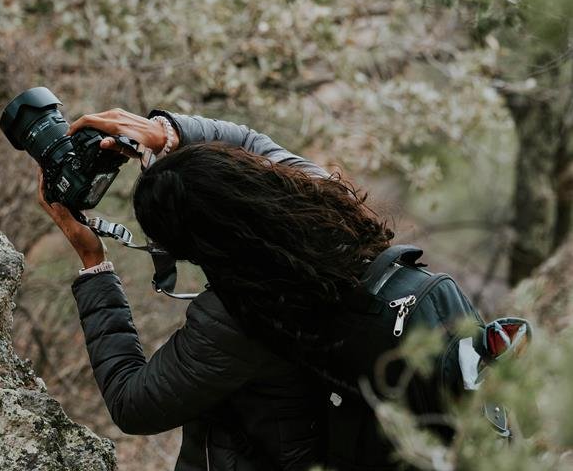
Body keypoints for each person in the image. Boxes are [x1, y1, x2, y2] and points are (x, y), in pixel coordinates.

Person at [36, 108, 396, 471]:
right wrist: (169, 134)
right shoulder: (329, 210)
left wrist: (93, 261)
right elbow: (253, 144)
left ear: (194, 250)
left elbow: (131, 404)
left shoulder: (239, 319)